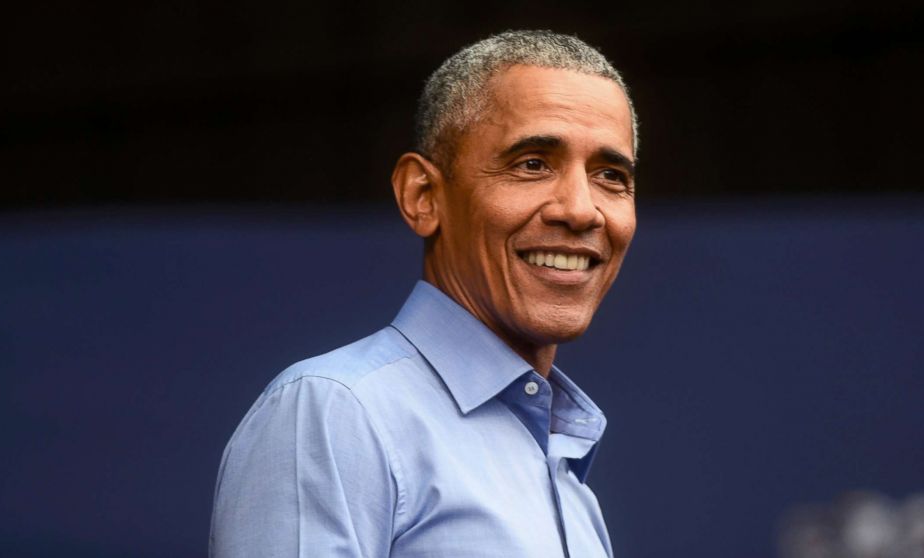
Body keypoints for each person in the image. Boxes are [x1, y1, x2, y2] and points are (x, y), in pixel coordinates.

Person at [210, 30, 638, 557]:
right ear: (423, 196)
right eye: (532, 164)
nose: (580, 209)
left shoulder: (565, 477)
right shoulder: (336, 412)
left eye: (611, 175)